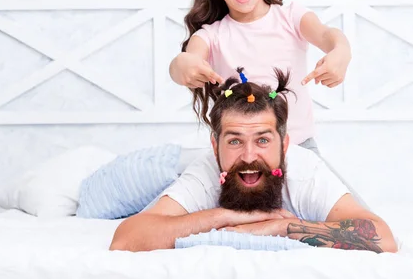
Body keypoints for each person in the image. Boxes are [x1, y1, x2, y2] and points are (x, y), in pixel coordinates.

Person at [109, 69, 397, 253]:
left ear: (284, 145)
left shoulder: (304, 170)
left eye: (262, 140)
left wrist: (283, 227)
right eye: (234, 141)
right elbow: (126, 239)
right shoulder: (206, 170)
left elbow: (382, 237)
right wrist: (228, 217)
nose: (248, 157)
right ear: (215, 146)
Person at [168, 0, 352, 156]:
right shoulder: (211, 35)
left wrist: (341, 51)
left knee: (342, 193)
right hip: (239, 154)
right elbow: (186, 61)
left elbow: (327, 35)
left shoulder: (291, 17)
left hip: (298, 147)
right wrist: (183, 65)